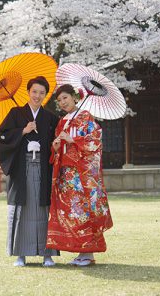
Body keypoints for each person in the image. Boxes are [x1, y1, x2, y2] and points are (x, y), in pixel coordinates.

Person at [46, 84, 113, 266]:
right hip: (67, 176)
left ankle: (89, 254)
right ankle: (81, 252)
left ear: (75, 97)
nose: (62, 102)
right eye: (59, 100)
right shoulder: (62, 122)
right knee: (72, 214)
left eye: (65, 98)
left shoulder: (85, 117)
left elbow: (95, 140)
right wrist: (56, 147)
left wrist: (73, 139)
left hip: (82, 176)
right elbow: (57, 151)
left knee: (84, 212)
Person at [0, 76, 59, 267]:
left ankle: (47, 255)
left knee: (44, 209)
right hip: (21, 170)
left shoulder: (50, 118)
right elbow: (1, 136)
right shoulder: (15, 113)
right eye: (34, 91)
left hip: (43, 169)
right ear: (28, 92)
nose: (37, 96)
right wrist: (23, 131)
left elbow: (56, 141)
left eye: (42, 93)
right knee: (21, 211)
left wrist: (54, 145)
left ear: (45, 95)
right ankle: (20, 255)